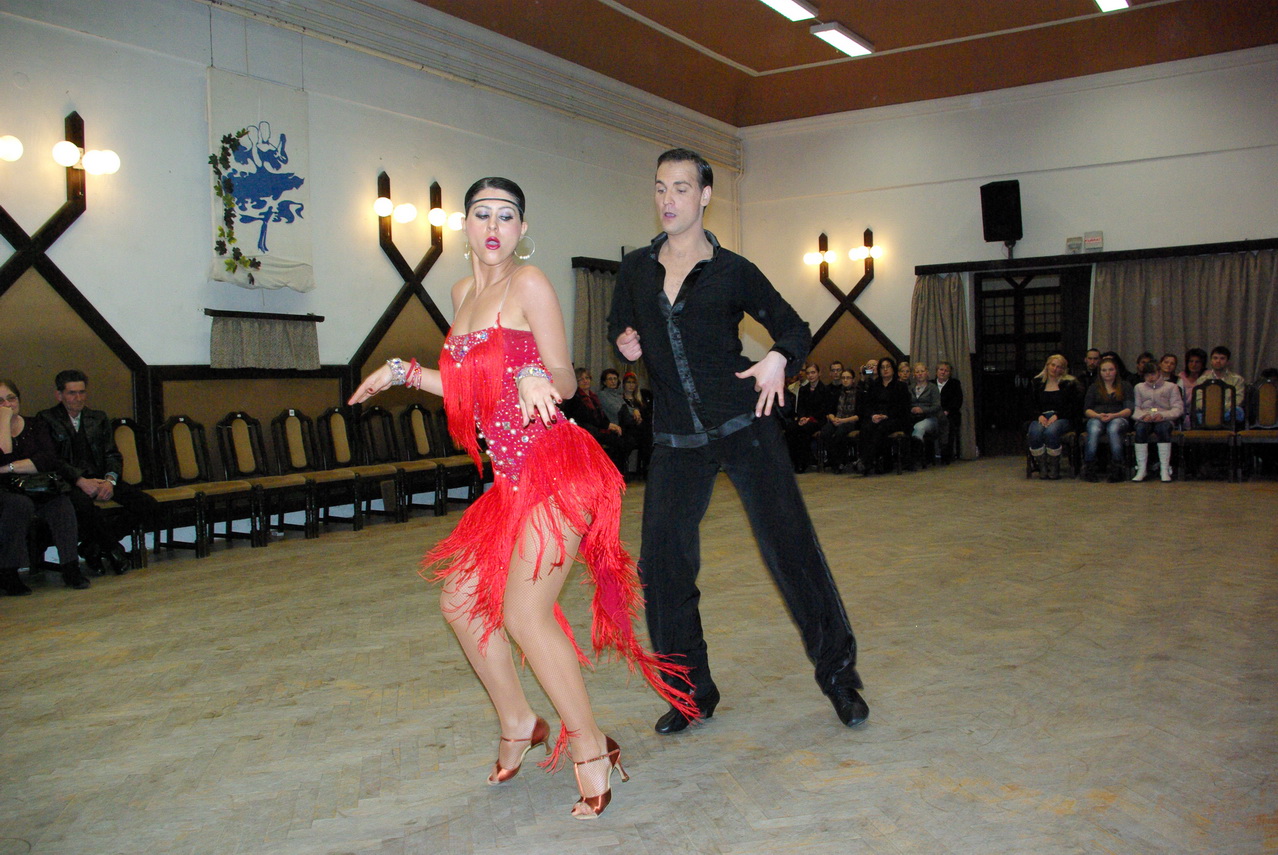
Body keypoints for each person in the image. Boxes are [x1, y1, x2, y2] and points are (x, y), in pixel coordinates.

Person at [350, 177, 693, 820]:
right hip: (509, 482)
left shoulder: (529, 284)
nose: (493, 226)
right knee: (460, 603)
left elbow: (562, 376)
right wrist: (402, 372)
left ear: (521, 228)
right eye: (482, 214)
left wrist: (537, 374)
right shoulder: (462, 293)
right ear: (466, 224)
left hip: (557, 469)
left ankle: (591, 745)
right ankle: (518, 721)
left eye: (506, 216)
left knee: (525, 614)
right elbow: (467, 387)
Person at [608, 147, 868, 733]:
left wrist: (779, 358)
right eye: (660, 188)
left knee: (792, 551)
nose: (668, 199)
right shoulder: (635, 270)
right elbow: (618, 326)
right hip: (676, 437)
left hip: (744, 423)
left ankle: (839, 679)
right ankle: (689, 693)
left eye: (680, 188)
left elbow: (795, 327)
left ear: (704, 196)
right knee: (663, 568)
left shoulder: (734, 270)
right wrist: (623, 342)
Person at [37, 369, 156, 575]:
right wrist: (80, 480)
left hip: (100, 478)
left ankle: (92, 546)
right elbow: (52, 460)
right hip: (68, 482)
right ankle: (113, 549)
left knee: (147, 504)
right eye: (72, 393)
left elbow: (112, 454)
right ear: (59, 395)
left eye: (82, 392)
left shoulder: (98, 418)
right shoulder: (46, 419)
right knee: (84, 506)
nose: (78, 398)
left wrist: (110, 480)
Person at [0, 378, 87, 591]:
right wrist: (3, 421)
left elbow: (47, 460)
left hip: (34, 485)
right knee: (19, 505)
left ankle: (70, 567)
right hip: (4, 491)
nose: (8, 404)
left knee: (61, 503)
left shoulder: (35, 425)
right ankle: (8, 572)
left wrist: (9, 468)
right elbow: (3, 456)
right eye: (0, 401)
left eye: (11, 398)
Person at [560, 367, 631, 475]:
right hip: (583, 431)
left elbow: (601, 416)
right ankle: (611, 474)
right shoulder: (575, 398)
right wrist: (607, 425)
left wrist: (610, 425)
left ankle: (614, 474)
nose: (585, 381)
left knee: (622, 439)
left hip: (595, 428)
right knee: (617, 442)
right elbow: (587, 418)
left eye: (587, 378)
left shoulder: (592, 396)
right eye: (581, 379)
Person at [1026, 354, 1082, 480]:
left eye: (1059, 367)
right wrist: (1039, 416)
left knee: (1051, 432)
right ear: (1047, 365)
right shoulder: (1036, 383)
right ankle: (1042, 467)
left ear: (1063, 369)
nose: (1055, 369)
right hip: (1041, 416)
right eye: (1053, 365)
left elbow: (1073, 406)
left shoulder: (1069, 384)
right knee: (1035, 432)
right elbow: (1030, 404)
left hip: (1062, 417)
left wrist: (1057, 415)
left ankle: (1054, 467)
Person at [1081, 357, 1133, 482]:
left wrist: (1114, 415)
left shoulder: (1125, 386)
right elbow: (1087, 410)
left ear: (1116, 371)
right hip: (1097, 416)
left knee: (1113, 428)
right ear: (1100, 372)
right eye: (1104, 370)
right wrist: (1098, 416)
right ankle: (1089, 467)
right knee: (1093, 429)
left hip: (1119, 417)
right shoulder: (1094, 387)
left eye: (1110, 369)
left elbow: (1129, 409)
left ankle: (1117, 467)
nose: (1107, 373)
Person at [856, 357, 910, 476]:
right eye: (882, 367)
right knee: (866, 427)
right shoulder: (874, 385)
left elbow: (903, 407)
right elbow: (868, 404)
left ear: (893, 369)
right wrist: (873, 415)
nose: (885, 370)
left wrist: (887, 415)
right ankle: (869, 460)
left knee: (881, 428)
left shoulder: (901, 386)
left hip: (894, 418)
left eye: (888, 367)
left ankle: (868, 461)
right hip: (877, 417)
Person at [1132, 360, 1184, 481]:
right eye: (1147, 375)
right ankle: (1141, 468)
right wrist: (1142, 416)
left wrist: (1164, 415)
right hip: (1145, 418)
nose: (1150, 378)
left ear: (1159, 373)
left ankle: (1164, 469)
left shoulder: (1171, 387)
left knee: (1163, 428)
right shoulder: (1139, 387)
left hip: (1164, 418)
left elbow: (1178, 408)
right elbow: (1135, 408)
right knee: (1140, 429)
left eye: (1153, 374)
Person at [786, 362, 832, 472]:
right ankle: (793, 461)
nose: (810, 375)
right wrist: (802, 417)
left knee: (804, 430)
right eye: (808, 373)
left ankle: (803, 462)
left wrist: (809, 418)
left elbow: (824, 409)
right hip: (804, 419)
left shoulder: (825, 389)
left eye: (813, 372)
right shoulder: (803, 389)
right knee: (791, 428)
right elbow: (800, 407)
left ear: (819, 373)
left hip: (818, 420)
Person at [818, 369, 859, 473]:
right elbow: (830, 411)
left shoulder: (859, 393)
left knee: (840, 432)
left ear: (853, 379)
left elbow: (859, 415)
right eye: (843, 378)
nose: (845, 380)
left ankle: (840, 462)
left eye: (848, 378)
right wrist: (833, 419)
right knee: (825, 432)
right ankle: (834, 460)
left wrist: (843, 420)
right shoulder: (837, 393)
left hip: (851, 421)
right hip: (837, 419)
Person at [1197, 345, 1246, 424]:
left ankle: (1214, 421)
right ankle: (1215, 421)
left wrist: (1220, 408)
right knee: (1198, 414)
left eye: (1222, 358)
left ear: (1228, 361)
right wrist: (1212, 408)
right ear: (1211, 361)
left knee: (1238, 411)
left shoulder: (1237, 379)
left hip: (1227, 411)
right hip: (1208, 411)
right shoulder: (1202, 380)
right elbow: (1198, 400)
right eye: (1215, 358)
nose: (1218, 361)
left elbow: (1238, 400)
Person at [906, 363, 941, 471]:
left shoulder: (933, 388)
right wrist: (911, 409)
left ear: (927, 373)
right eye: (917, 372)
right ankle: (907, 459)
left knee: (918, 428)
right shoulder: (909, 388)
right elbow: (905, 404)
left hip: (930, 418)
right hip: (912, 417)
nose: (920, 374)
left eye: (922, 371)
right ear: (913, 375)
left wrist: (923, 410)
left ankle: (916, 459)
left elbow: (937, 406)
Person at [617, 371, 652, 479]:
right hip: (627, 428)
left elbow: (646, 415)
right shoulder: (620, 398)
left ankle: (647, 467)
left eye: (633, 382)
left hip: (641, 429)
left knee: (647, 435)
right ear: (624, 384)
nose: (631, 385)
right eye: (629, 382)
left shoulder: (639, 400)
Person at [935, 361, 963, 463]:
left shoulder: (955, 384)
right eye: (941, 370)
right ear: (936, 371)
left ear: (950, 373)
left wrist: (947, 411)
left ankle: (946, 455)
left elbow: (957, 401)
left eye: (946, 371)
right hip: (933, 413)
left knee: (948, 425)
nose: (943, 372)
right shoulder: (930, 384)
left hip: (950, 414)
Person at [1178, 347, 1207, 428]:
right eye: (1191, 361)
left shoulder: (1207, 376)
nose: (1193, 365)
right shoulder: (1180, 377)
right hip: (1183, 414)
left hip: (1203, 413)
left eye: (1197, 362)